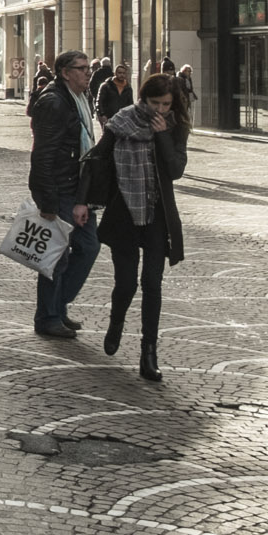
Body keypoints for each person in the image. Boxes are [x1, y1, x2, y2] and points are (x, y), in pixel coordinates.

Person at [99, 74, 190, 382]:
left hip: (157, 214)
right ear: (143, 99)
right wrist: (83, 202)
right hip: (123, 211)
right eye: (155, 103)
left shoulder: (175, 125)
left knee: (152, 283)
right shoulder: (121, 122)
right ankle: (116, 322)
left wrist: (163, 136)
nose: (160, 110)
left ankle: (148, 353)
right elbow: (99, 162)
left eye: (166, 104)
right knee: (126, 284)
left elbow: (176, 170)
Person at [28, 50, 99, 339]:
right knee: (56, 257)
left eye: (87, 68)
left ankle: (58, 305)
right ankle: (48, 316)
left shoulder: (79, 99)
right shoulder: (54, 102)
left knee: (89, 247)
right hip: (61, 188)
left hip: (79, 188)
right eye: (81, 69)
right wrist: (48, 201)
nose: (87, 73)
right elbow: (42, 156)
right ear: (65, 72)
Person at [96, 64, 134, 130]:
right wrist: (102, 114)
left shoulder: (128, 88)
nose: (122, 75)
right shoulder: (106, 86)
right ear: (115, 73)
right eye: (119, 73)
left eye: (123, 73)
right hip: (109, 117)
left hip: (122, 118)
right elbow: (99, 102)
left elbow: (130, 103)